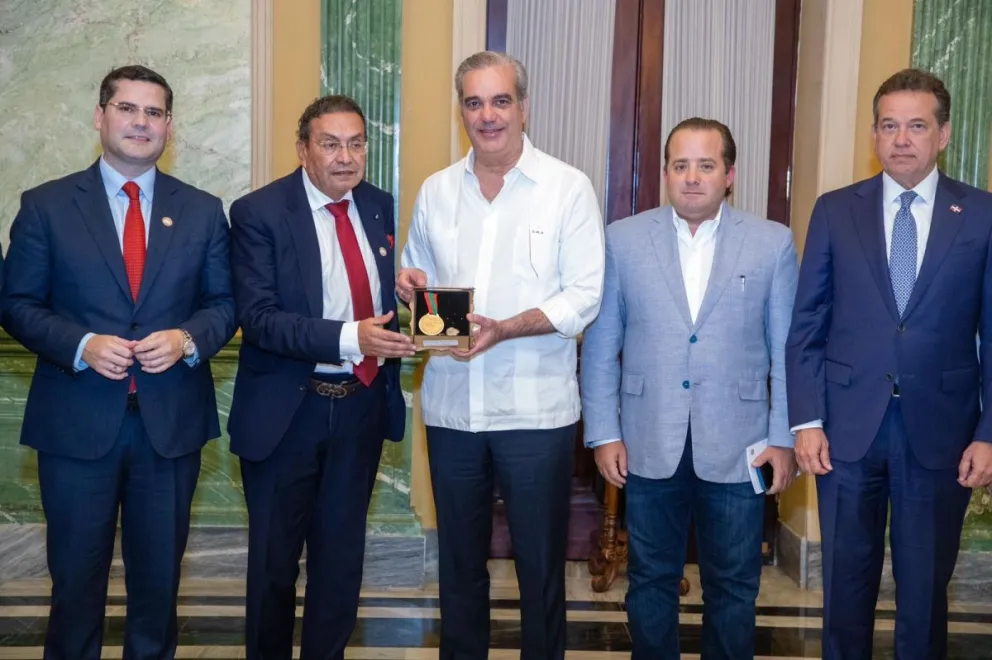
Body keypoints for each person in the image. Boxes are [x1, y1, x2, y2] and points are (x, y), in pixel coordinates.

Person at [1, 65, 236, 659]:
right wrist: (81, 345)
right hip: (77, 426)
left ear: (169, 127)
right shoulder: (47, 205)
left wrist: (186, 338)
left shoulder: (205, 211)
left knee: (158, 589)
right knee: (75, 588)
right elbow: (16, 303)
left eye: (153, 113)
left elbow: (226, 304)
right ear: (100, 116)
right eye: (127, 109)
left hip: (169, 428)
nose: (140, 122)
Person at [396, 50, 604, 660]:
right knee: (459, 569)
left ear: (523, 106)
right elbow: (421, 290)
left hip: (535, 414)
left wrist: (507, 328)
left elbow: (585, 295)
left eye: (500, 100)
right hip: (452, 410)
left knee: (541, 571)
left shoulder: (567, 188)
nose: (487, 116)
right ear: (461, 109)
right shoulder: (436, 191)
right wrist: (408, 286)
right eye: (474, 102)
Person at [787, 68, 992, 659]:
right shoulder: (834, 210)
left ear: (943, 134)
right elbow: (808, 326)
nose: (902, 138)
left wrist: (988, 433)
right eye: (889, 125)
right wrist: (806, 421)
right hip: (846, 432)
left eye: (917, 126)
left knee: (925, 592)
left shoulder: (981, 216)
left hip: (942, 432)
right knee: (844, 588)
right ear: (874, 134)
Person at [580, 118, 798, 659]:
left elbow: (787, 352)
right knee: (650, 581)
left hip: (740, 444)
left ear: (730, 174)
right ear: (665, 174)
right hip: (649, 440)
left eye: (706, 165)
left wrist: (783, 438)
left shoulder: (772, 244)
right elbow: (602, 345)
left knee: (734, 586)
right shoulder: (623, 241)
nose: (692, 177)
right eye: (681, 165)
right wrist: (604, 432)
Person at [228, 94, 411, 660]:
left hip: (359, 405)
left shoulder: (378, 206)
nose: (345, 157)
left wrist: (406, 296)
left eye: (356, 143)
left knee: (340, 562)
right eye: (330, 144)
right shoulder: (259, 212)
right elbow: (258, 320)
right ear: (303, 149)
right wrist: (353, 336)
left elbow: (378, 307)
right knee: (274, 566)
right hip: (289, 411)